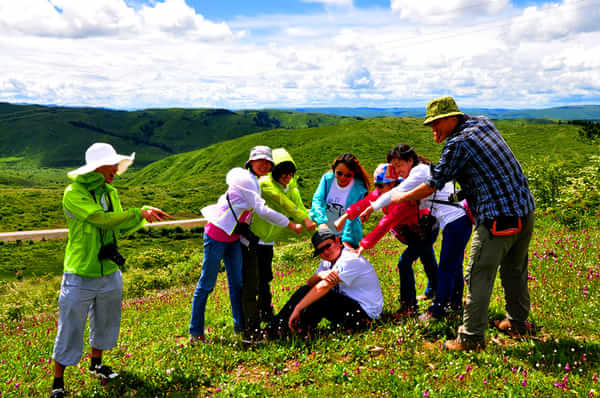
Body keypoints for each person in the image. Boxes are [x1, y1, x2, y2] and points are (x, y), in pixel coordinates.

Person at [370, 97, 535, 351]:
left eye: (436, 124)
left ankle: (470, 338)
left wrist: (400, 196)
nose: (433, 130)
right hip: (525, 209)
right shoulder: (483, 124)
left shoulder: (458, 143)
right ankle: (518, 323)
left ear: (452, 118)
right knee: (514, 269)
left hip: (497, 217)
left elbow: (434, 182)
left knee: (478, 275)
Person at [51, 143, 169, 398]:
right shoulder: (73, 193)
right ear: (96, 167)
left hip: (109, 271)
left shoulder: (110, 192)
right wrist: (137, 211)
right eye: (111, 164)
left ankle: (96, 365)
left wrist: (142, 216)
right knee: (70, 326)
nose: (116, 168)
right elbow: (99, 219)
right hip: (80, 272)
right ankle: (58, 382)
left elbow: (118, 227)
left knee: (106, 321)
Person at [192, 146, 302, 343]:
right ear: (251, 161)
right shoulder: (245, 179)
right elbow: (261, 209)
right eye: (259, 160)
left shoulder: (255, 182)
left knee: (237, 285)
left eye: (268, 162)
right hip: (217, 235)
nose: (264, 164)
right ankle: (196, 332)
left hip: (234, 238)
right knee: (206, 285)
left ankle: (242, 329)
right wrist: (290, 224)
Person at [362, 144, 473, 322]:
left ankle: (438, 310)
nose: (398, 171)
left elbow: (397, 192)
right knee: (454, 264)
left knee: (446, 266)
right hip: (456, 220)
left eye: (399, 165)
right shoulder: (422, 170)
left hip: (455, 221)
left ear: (410, 160)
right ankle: (455, 304)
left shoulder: (419, 171)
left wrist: (371, 208)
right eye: (394, 167)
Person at [334, 163, 438, 315]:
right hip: (415, 232)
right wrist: (345, 216)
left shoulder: (404, 199)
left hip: (424, 231)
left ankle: (409, 305)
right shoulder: (383, 192)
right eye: (376, 185)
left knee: (405, 263)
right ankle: (434, 290)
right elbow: (365, 202)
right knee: (427, 257)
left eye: (380, 185)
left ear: (393, 184)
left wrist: (364, 245)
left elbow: (386, 222)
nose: (377, 189)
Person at [241, 148, 316, 340]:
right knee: (253, 280)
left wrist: (315, 228)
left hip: (268, 240)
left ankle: (266, 311)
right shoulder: (265, 183)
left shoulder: (291, 186)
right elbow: (286, 204)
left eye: (291, 173)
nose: (287, 177)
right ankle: (249, 320)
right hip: (253, 237)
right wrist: (303, 221)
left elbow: (298, 206)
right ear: (275, 172)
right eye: (283, 173)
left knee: (265, 277)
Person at [266, 227, 383, 339]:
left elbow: (324, 286)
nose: (326, 252)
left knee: (320, 295)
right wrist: (319, 275)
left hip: (365, 316)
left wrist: (298, 308)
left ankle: (276, 331)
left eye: (328, 246)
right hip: (351, 308)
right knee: (308, 291)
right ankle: (291, 329)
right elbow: (310, 284)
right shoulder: (328, 261)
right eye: (320, 250)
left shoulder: (349, 259)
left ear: (337, 241)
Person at [309, 153, 370, 249]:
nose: (343, 178)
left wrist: (346, 241)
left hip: (347, 237)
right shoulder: (327, 179)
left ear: (353, 174)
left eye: (348, 175)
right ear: (334, 170)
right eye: (339, 173)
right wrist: (322, 222)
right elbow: (317, 200)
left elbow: (354, 216)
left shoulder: (359, 189)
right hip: (326, 233)